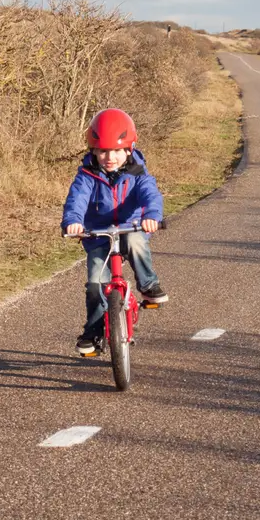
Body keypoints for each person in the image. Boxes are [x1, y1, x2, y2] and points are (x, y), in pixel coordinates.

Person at [61, 108, 168, 356]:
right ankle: (94, 330)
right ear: (94, 151)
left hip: (131, 226)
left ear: (128, 150)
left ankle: (149, 285)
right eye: (103, 151)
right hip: (98, 234)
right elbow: (76, 201)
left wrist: (152, 216)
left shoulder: (138, 173)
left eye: (117, 151)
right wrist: (73, 222)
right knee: (95, 284)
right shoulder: (86, 176)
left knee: (136, 243)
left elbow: (151, 195)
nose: (110, 157)